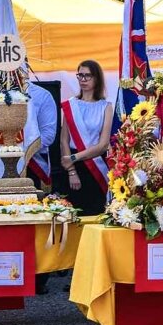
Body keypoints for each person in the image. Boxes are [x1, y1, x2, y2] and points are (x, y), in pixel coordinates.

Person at [60, 60, 113, 216]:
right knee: (72, 214)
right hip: (73, 168)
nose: (83, 80)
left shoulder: (106, 106)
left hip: (95, 166)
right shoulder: (71, 105)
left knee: (96, 212)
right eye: (80, 75)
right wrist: (71, 170)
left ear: (97, 78)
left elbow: (103, 144)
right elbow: (64, 140)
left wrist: (75, 157)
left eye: (87, 76)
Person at [26, 82, 58, 295]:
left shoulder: (41, 95)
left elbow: (49, 134)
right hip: (4, 166)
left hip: (34, 165)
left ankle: (39, 277)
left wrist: (22, 148)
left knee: (37, 222)